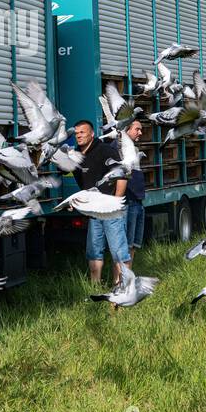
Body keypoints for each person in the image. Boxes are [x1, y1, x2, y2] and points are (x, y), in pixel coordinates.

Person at [72, 119, 129, 287]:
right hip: (94, 210)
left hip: (110, 209)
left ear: (91, 134)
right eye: (76, 133)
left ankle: (120, 288)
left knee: (118, 251)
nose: (78, 136)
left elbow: (122, 174)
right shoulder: (76, 155)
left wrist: (116, 201)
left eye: (82, 132)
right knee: (94, 251)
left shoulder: (105, 150)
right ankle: (95, 287)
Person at [123, 119, 147, 263]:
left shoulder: (135, 149)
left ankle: (129, 278)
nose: (140, 132)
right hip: (129, 201)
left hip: (138, 201)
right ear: (126, 131)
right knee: (126, 244)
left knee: (133, 245)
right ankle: (122, 280)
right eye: (137, 129)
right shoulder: (120, 149)